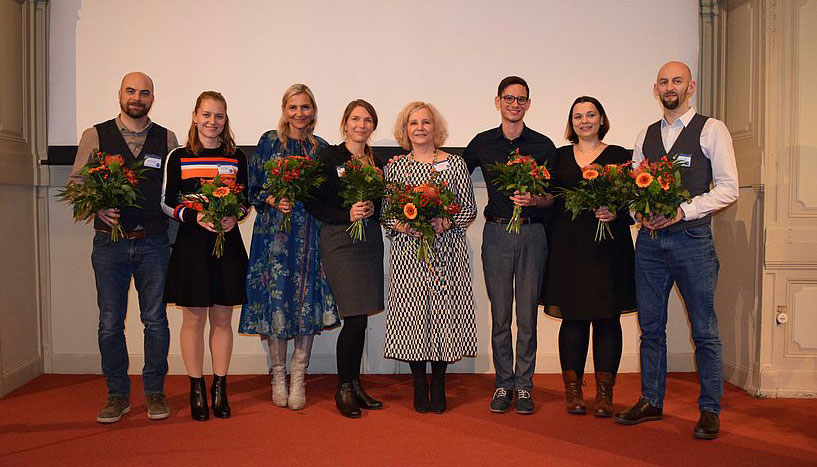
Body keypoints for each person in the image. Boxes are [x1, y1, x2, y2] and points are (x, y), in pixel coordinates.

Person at [614, 61, 739, 440]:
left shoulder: (712, 130)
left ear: (691, 86)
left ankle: (709, 408)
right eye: (664, 81)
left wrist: (683, 210)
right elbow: (634, 188)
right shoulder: (645, 134)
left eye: (677, 81)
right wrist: (640, 214)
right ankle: (651, 400)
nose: (671, 87)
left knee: (704, 330)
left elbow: (729, 187)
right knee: (651, 328)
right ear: (656, 88)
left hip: (692, 241)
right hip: (650, 244)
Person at [69, 72, 177, 424]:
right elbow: (75, 185)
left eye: (144, 92)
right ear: (120, 94)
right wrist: (95, 206)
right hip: (109, 245)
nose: (137, 97)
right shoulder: (95, 135)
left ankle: (154, 392)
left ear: (152, 98)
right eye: (131, 91)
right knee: (110, 323)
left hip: (155, 243)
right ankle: (117, 395)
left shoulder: (167, 138)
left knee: (155, 321)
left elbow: (173, 193)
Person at [238, 84, 338, 411]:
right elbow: (251, 188)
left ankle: (299, 374)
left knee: (305, 301)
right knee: (277, 300)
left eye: (305, 107)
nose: (299, 113)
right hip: (274, 238)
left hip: (309, 235)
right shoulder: (269, 142)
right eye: (293, 107)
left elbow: (326, 195)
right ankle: (278, 373)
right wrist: (270, 198)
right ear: (284, 109)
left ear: (313, 111)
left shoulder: (321, 148)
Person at [462, 76, 557, 414]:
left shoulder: (544, 146)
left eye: (521, 99)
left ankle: (525, 386)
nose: (514, 104)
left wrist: (536, 199)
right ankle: (503, 384)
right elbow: (453, 173)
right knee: (501, 315)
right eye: (508, 98)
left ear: (528, 104)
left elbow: (554, 198)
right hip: (497, 234)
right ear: (498, 101)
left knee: (527, 314)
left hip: (533, 235)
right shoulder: (482, 143)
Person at [542, 96, 636, 417]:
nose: (585, 121)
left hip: (609, 247)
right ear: (572, 122)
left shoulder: (619, 156)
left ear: (601, 119)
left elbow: (631, 198)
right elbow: (550, 200)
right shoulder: (558, 157)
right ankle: (573, 391)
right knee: (573, 318)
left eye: (591, 115)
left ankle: (605, 394)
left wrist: (616, 211)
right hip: (569, 248)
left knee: (608, 319)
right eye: (578, 116)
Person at [382, 102, 477, 414]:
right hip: (409, 254)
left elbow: (469, 209)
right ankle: (419, 383)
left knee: (442, 316)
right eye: (413, 123)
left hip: (446, 253)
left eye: (425, 122)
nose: (420, 128)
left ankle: (438, 381)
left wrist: (447, 221)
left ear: (436, 128)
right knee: (413, 318)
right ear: (405, 130)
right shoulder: (395, 167)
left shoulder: (455, 165)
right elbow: (385, 213)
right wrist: (403, 224)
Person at [161, 91, 249, 421]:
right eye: (207, 115)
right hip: (192, 245)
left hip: (226, 243)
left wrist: (235, 215)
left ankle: (220, 388)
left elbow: (245, 199)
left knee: (223, 318)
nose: (213, 122)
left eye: (219, 116)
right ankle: (196, 388)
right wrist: (194, 216)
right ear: (195, 116)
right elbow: (167, 201)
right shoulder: (178, 156)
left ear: (226, 120)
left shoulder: (236, 157)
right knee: (194, 319)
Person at [304, 99, 385, 418]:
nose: (361, 125)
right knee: (353, 316)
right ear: (344, 123)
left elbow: (383, 203)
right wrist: (344, 213)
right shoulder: (330, 157)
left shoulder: (377, 161)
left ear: (373, 126)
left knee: (361, 318)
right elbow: (311, 201)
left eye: (367, 120)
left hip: (369, 242)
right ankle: (344, 387)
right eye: (355, 119)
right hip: (340, 240)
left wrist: (371, 210)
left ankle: (355, 384)